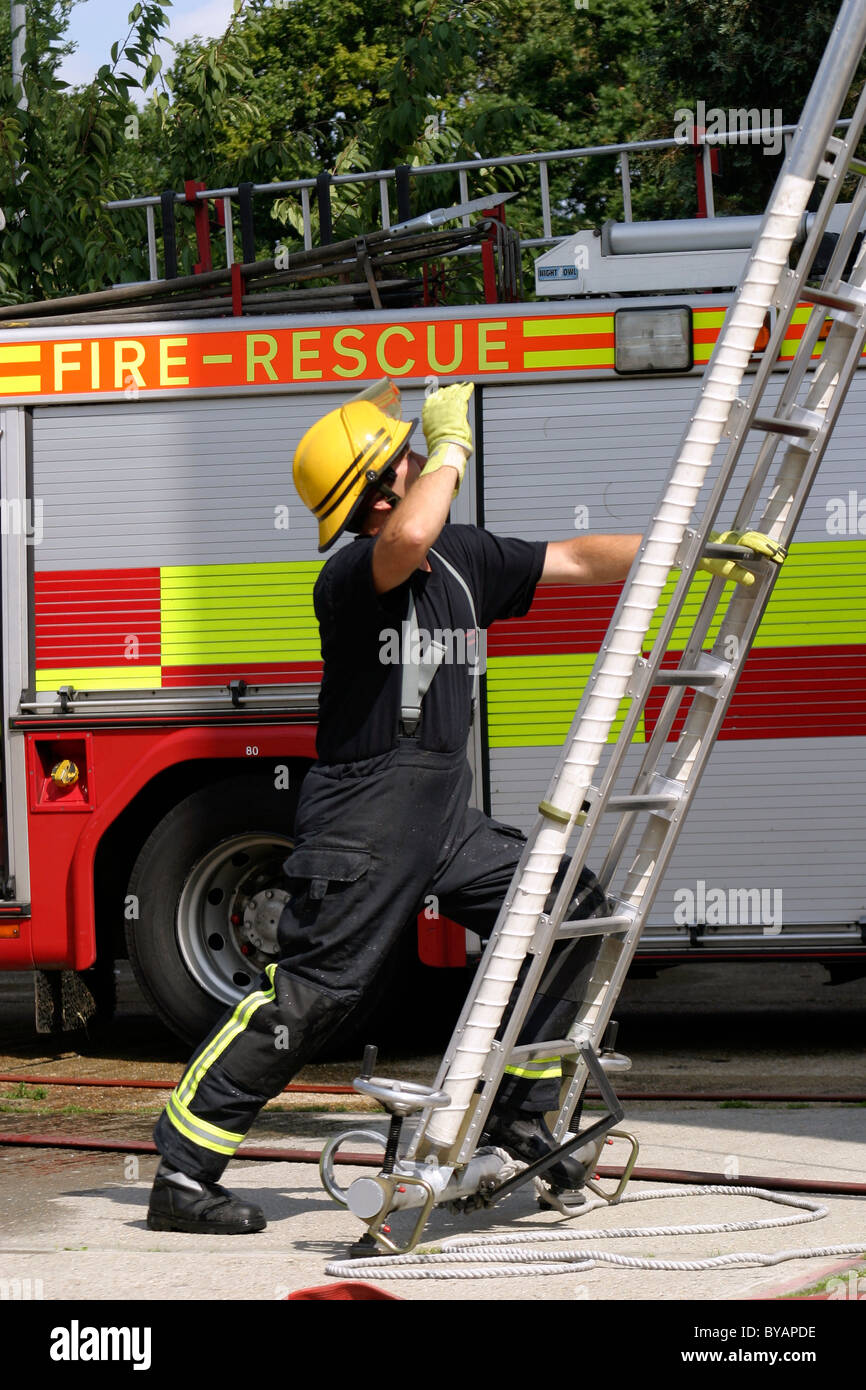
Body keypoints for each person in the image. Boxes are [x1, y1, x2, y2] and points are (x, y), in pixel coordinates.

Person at [145, 380, 779, 1234]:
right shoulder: (352, 577)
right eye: (409, 454)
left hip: (443, 816)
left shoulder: (463, 558)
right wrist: (454, 445)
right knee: (313, 996)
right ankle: (183, 1173)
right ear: (380, 489)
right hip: (363, 821)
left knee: (571, 912)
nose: (422, 458)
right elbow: (406, 535)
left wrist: (691, 551)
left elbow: (576, 558)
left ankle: (519, 1117)